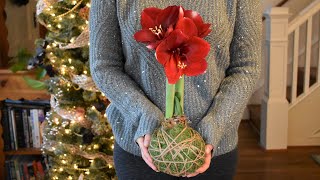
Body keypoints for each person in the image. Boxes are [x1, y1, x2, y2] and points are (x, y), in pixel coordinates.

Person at [89, 0, 262, 179]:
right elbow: (104, 66)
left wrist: (214, 126)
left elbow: (246, 67)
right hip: (141, 150)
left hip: (213, 149)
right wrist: (145, 117)